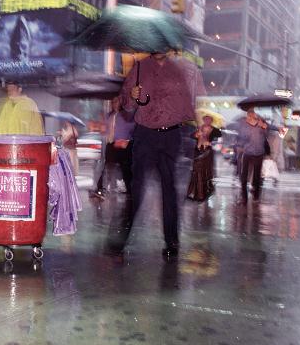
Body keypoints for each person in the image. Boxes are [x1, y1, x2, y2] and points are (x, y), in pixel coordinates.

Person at [111, 49, 206, 260]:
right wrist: (132, 98)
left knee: (169, 190)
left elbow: (190, 104)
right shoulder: (139, 68)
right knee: (137, 189)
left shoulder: (179, 71)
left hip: (171, 135)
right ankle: (119, 242)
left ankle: (172, 243)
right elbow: (125, 105)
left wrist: (201, 129)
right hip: (145, 135)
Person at [91, 96, 135, 199]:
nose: (114, 103)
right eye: (113, 101)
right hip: (111, 145)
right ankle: (100, 188)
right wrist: (99, 127)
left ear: (121, 102)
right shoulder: (109, 116)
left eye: (116, 101)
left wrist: (127, 141)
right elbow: (105, 131)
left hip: (123, 146)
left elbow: (134, 129)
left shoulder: (127, 116)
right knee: (106, 166)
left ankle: (130, 190)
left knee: (125, 169)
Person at [235, 108, 278, 204]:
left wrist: (263, 127)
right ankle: (244, 198)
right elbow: (242, 137)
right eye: (249, 114)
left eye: (252, 114)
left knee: (257, 176)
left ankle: (256, 195)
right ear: (247, 115)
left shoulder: (261, 123)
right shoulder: (244, 125)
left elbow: (268, 132)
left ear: (254, 114)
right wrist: (240, 145)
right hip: (247, 152)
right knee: (244, 176)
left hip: (259, 153)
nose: (251, 116)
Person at [186, 115, 221, 202]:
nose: (207, 121)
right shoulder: (199, 128)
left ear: (211, 121)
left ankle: (204, 191)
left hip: (208, 153)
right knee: (197, 171)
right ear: (203, 120)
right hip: (198, 151)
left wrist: (210, 143)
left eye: (209, 119)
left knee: (206, 172)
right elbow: (191, 136)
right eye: (205, 119)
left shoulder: (216, 130)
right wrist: (196, 134)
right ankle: (197, 193)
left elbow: (219, 142)